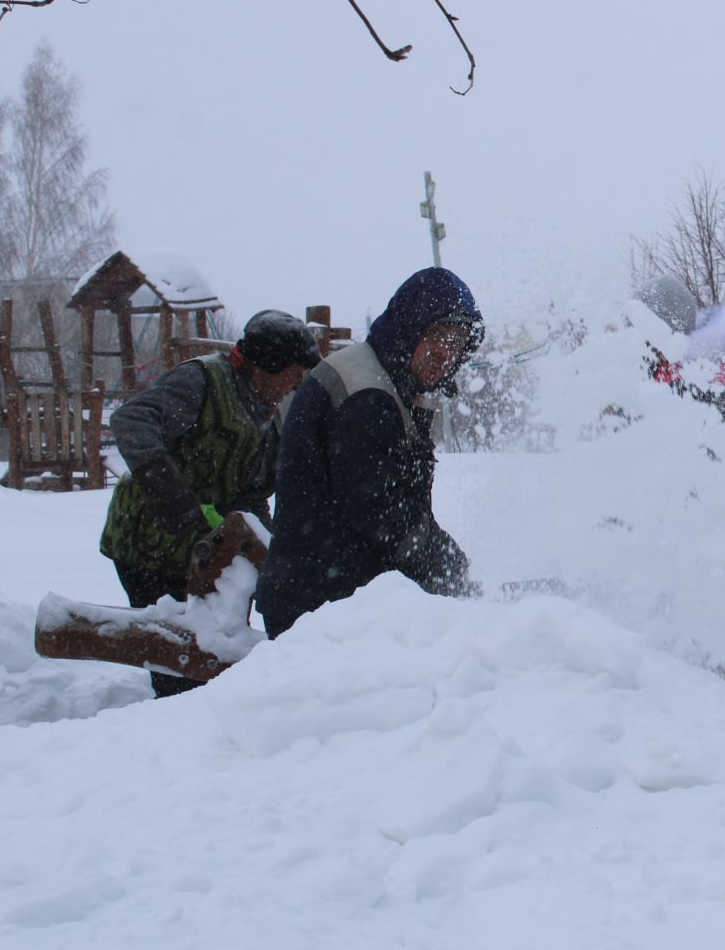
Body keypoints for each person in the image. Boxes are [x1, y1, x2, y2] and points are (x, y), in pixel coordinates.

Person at [99, 309, 320, 696]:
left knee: (210, 652)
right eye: (292, 373)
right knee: (177, 659)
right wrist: (182, 509)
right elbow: (132, 423)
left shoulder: (266, 415)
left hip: (205, 551)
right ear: (264, 364)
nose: (294, 385)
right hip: (149, 544)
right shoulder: (200, 382)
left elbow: (253, 496)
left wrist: (269, 552)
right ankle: (165, 733)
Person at [256, 268, 484, 638]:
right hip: (318, 610)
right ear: (411, 327)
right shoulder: (366, 394)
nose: (447, 351)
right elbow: (381, 515)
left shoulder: (395, 385)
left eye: (458, 342)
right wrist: (449, 571)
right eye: (438, 334)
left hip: (343, 598)